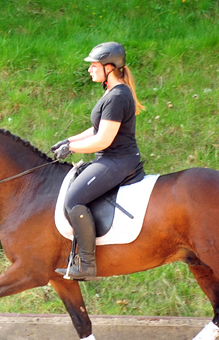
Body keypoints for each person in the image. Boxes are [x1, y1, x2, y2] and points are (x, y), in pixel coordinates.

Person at [51, 41, 145, 280]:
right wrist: (68, 140)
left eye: (94, 65)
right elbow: (96, 129)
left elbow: (102, 140)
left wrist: (71, 148)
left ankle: (87, 264)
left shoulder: (117, 96)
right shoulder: (112, 93)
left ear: (109, 67)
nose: (90, 69)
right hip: (112, 158)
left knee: (74, 199)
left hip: (118, 161)